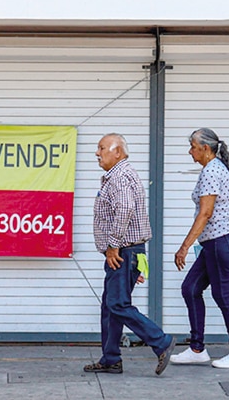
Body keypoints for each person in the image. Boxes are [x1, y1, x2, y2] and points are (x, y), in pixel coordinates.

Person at [83, 133, 175, 376]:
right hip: (127, 252)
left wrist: (113, 246)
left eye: (102, 148)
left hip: (123, 252)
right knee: (110, 306)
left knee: (117, 304)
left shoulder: (120, 177)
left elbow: (124, 209)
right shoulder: (118, 175)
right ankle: (111, 358)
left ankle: (161, 341)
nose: (97, 153)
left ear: (118, 152)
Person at [170, 128, 229, 369]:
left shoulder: (212, 171)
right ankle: (197, 349)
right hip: (215, 243)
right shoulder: (216, 168)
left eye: (193, 147)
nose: (190, 151)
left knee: (223, 295)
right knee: (190, 288)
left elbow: (205, 213)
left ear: (205, 148)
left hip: (220, 241)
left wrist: (184, 247)